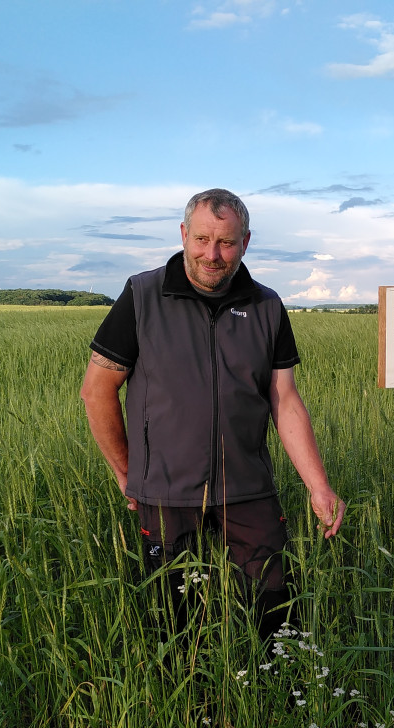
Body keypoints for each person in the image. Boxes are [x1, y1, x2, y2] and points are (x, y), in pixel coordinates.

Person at [81, 188, 343, 637]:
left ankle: (280, 691)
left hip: (247, 484)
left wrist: (318, 486)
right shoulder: (143, 295)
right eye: (202, 239)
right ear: (184, 234)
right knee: (172, 615)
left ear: (245, 242)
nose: (212, 255)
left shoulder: (266, 306)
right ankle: (183, 698)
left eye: (225, 242)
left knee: (277, 603)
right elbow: (96, 390)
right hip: (165, 489)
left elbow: (285, 399)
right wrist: (127, 473)